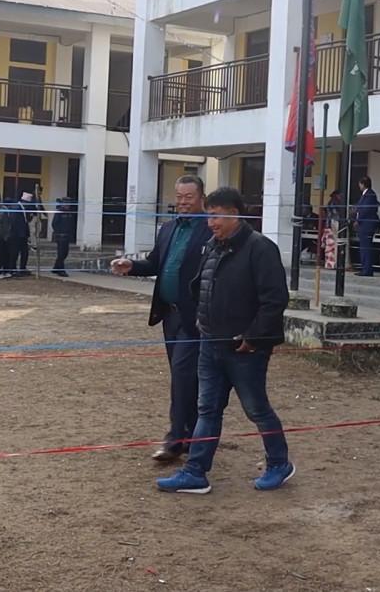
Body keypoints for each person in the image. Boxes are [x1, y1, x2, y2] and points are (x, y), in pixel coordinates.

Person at [155, 187, 292, 494]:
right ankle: (195, 472)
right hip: (209, 344)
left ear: (235, 214)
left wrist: (254, 337)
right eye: (209, 215)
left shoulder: (260, 249)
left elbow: (275, 300)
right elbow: (200, 287)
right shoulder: (212, 246)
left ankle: (279, 463)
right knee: (207, 409)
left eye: (216, 215)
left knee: (256, 408)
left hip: (245, 349)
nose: (210, 222)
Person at [111, 176, 210, 462]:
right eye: (179, 196)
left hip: (195, 318)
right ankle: (192, 434)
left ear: (201, 197)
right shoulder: (168, 228)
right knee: (184, 379)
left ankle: (175, 439)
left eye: (188, 197)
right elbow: (156, 263)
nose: (182, 202)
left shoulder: (210, 229)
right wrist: (132, 266)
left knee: (182, 376)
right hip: (169, 316)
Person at [355, 178, 380, 277]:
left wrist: (358, 220)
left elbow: (365, 209)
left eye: (360, 184)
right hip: (365, 225)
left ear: (363, 184)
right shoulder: (366, 194)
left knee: (366, 247)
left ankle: (367, 269)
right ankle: (365, 267)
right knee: (364, 247)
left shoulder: (369, 195)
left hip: (367, 224)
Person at [6, 197, 31, 278]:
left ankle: (22, 268)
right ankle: (12, 269)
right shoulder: (16, 208)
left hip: (23, 235)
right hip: (16, 235)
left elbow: (26, 221)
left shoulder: (23, 208)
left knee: (25, 252)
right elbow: (14, 222)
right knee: (14, 253)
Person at [50, 198, 73, 277]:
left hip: (67, 236)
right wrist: (58, 232)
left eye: (69, 204)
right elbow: (54, 224)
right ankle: (61, 270)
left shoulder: (69, 213)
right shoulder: (59, 212)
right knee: (61, 253)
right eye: (66, 204)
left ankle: (56, 267)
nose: (68, 205)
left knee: (65, 253)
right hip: (60, 236)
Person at [0, 199, 14, 280]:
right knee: (1, 254)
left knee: (5, 254)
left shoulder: (5, 211)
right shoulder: (3, 211)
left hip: (4, 236)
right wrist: (3, 235)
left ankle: (5, 270)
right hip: (1, 236)